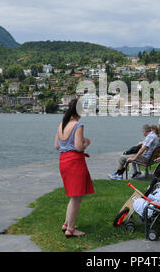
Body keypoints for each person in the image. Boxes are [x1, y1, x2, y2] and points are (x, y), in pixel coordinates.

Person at [55, 98, 94, 238]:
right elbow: (78, 147)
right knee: (76, 197)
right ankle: (71, 229)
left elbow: (57, 146)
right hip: (75, 162)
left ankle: (67, 223)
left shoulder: (61, 124)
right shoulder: (78, 125)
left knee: (73, 195)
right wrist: (86, 143)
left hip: (63, 161)